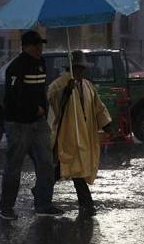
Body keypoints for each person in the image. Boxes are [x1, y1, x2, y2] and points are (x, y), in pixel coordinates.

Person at [0, 30, 63, 220]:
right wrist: (34, 110)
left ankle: (43, 203)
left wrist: (42, 108)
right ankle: (5, 206)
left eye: (41, 45)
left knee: (46, 163)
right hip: (17, 124)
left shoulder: (41, 64)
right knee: (14, 166)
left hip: (38, 123)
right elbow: (14, 96)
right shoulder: (16, 67)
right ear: (25, 46)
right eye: (36, 45)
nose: (40, 48)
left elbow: (42, 90)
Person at [47, 50, 113, 217]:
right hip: (67, 135)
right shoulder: (60, 84)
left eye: (82, 68)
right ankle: (87, 204)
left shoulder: (87, 86)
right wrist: (65, 93)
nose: (81, 71)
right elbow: (52, 101)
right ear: (71, 67)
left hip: (83, 134)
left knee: (69, 167)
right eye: (77, 68)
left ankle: (41, 190)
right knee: (76, 170)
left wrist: (107, 125)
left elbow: (98, 107)